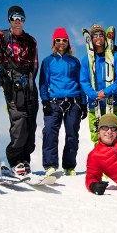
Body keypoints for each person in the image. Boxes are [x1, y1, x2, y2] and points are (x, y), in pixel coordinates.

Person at [0, 6, 39, 175]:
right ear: (9, 19)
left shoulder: (31, 40)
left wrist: (29, 81)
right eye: (14, 18)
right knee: (19, 120)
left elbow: (35, 64)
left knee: (31, 121)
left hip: (28, 84)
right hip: (11, 83)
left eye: (20, 18)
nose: (17, 21)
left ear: (24, 20)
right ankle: (15, 159)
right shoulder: (1, 36)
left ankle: (25, 160)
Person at [39, 27, 87, 176]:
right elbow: (43, 83)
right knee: (49, 132)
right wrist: (45, 102)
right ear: (54, 42)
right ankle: (50, 166)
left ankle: (69, 166)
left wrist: (83, 103)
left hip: (74, 102)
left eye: (64, 40)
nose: (61, 43)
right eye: (58, 40)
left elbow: (81, 82)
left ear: (68, 43)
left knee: (72, 134)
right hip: (54, 102)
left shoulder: (74, 62)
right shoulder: (48, 61)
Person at [80, 23, 117, 144]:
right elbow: (84, 81)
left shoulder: (116, 57)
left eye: (100, 35)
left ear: (105, 37)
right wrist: (94, 95)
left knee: (115, 136)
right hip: (95, 105)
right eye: (95, 35)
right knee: (97, 137)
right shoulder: (86, 60)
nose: (98, 37)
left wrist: (105, 92)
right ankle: (99, 162)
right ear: (91, 38)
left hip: (113, 104)